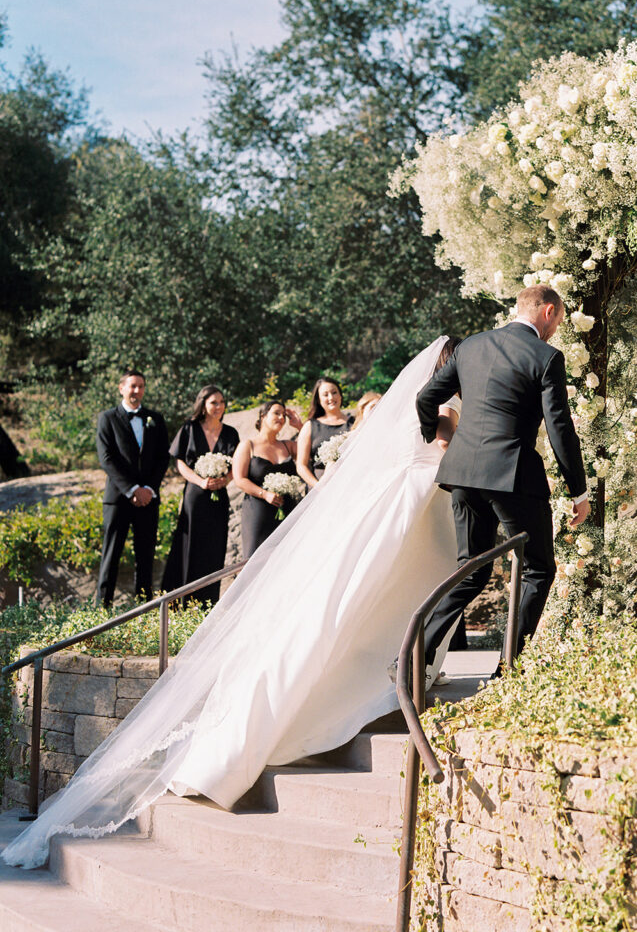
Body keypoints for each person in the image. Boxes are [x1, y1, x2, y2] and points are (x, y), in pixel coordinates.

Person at [2, 337, 459, 870]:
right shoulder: (442, 407)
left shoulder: (412, 406)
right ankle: (253, 736)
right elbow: (442, 449)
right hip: (410, 502)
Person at [416, 284, 589, 669]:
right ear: (547, 312)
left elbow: (425, 399)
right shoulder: (546, 357)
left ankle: (417, 655)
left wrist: (438, 437)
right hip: (512, 477)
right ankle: (507, 668)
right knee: (539, 568)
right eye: (558, 319)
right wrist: (578, 492)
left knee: (471, 569)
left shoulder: (471, 346)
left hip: (461, 474)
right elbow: (560, 429)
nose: (557, 329)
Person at [95, 369, 170, 606]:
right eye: (132, 386)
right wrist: (132, 489)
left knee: (145, 555)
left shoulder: (155, 419)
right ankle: (101, 608)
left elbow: (162, 457)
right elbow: (106, 458)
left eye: (140, 386)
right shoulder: (107, 418)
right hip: (118, 498)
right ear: (121, 388)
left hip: (148, 497)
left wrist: (148, 488)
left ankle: (143, 609)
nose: (136, 390)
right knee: (111, 554)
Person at [161, 386, 240, 607]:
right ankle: (182, 602)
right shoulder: (189, 428)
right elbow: (180, 462)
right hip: (195, 496)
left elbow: (238, 463)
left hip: (219, 497)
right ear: (203, 404)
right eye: (214, 402)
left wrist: (226, 480)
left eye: (222, 402)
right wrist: (200, 481)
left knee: (215, 547)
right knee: (190, 545)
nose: (219, 406)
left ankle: (208, 602)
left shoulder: (231, 433)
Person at [231, 400, 302, 559]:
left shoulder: (288, 446)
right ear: (263, 416)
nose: (281, 418)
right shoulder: (247, 445)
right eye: (276, 413)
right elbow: (239, 479)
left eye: (283, 415)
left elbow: (310, 449)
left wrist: (300, 427)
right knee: (256, 560)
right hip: (258, 512)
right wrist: (265, 494)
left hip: (287, 510)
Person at [295, 377, 354, 487]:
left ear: (340, 395)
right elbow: (301, 466)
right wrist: (319, 487)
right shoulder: (310, 426)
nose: (331, 397)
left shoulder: (354, 423)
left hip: (350, 485)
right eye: (325, 394)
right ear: (318, 399)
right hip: (320, 488)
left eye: (334, 392)